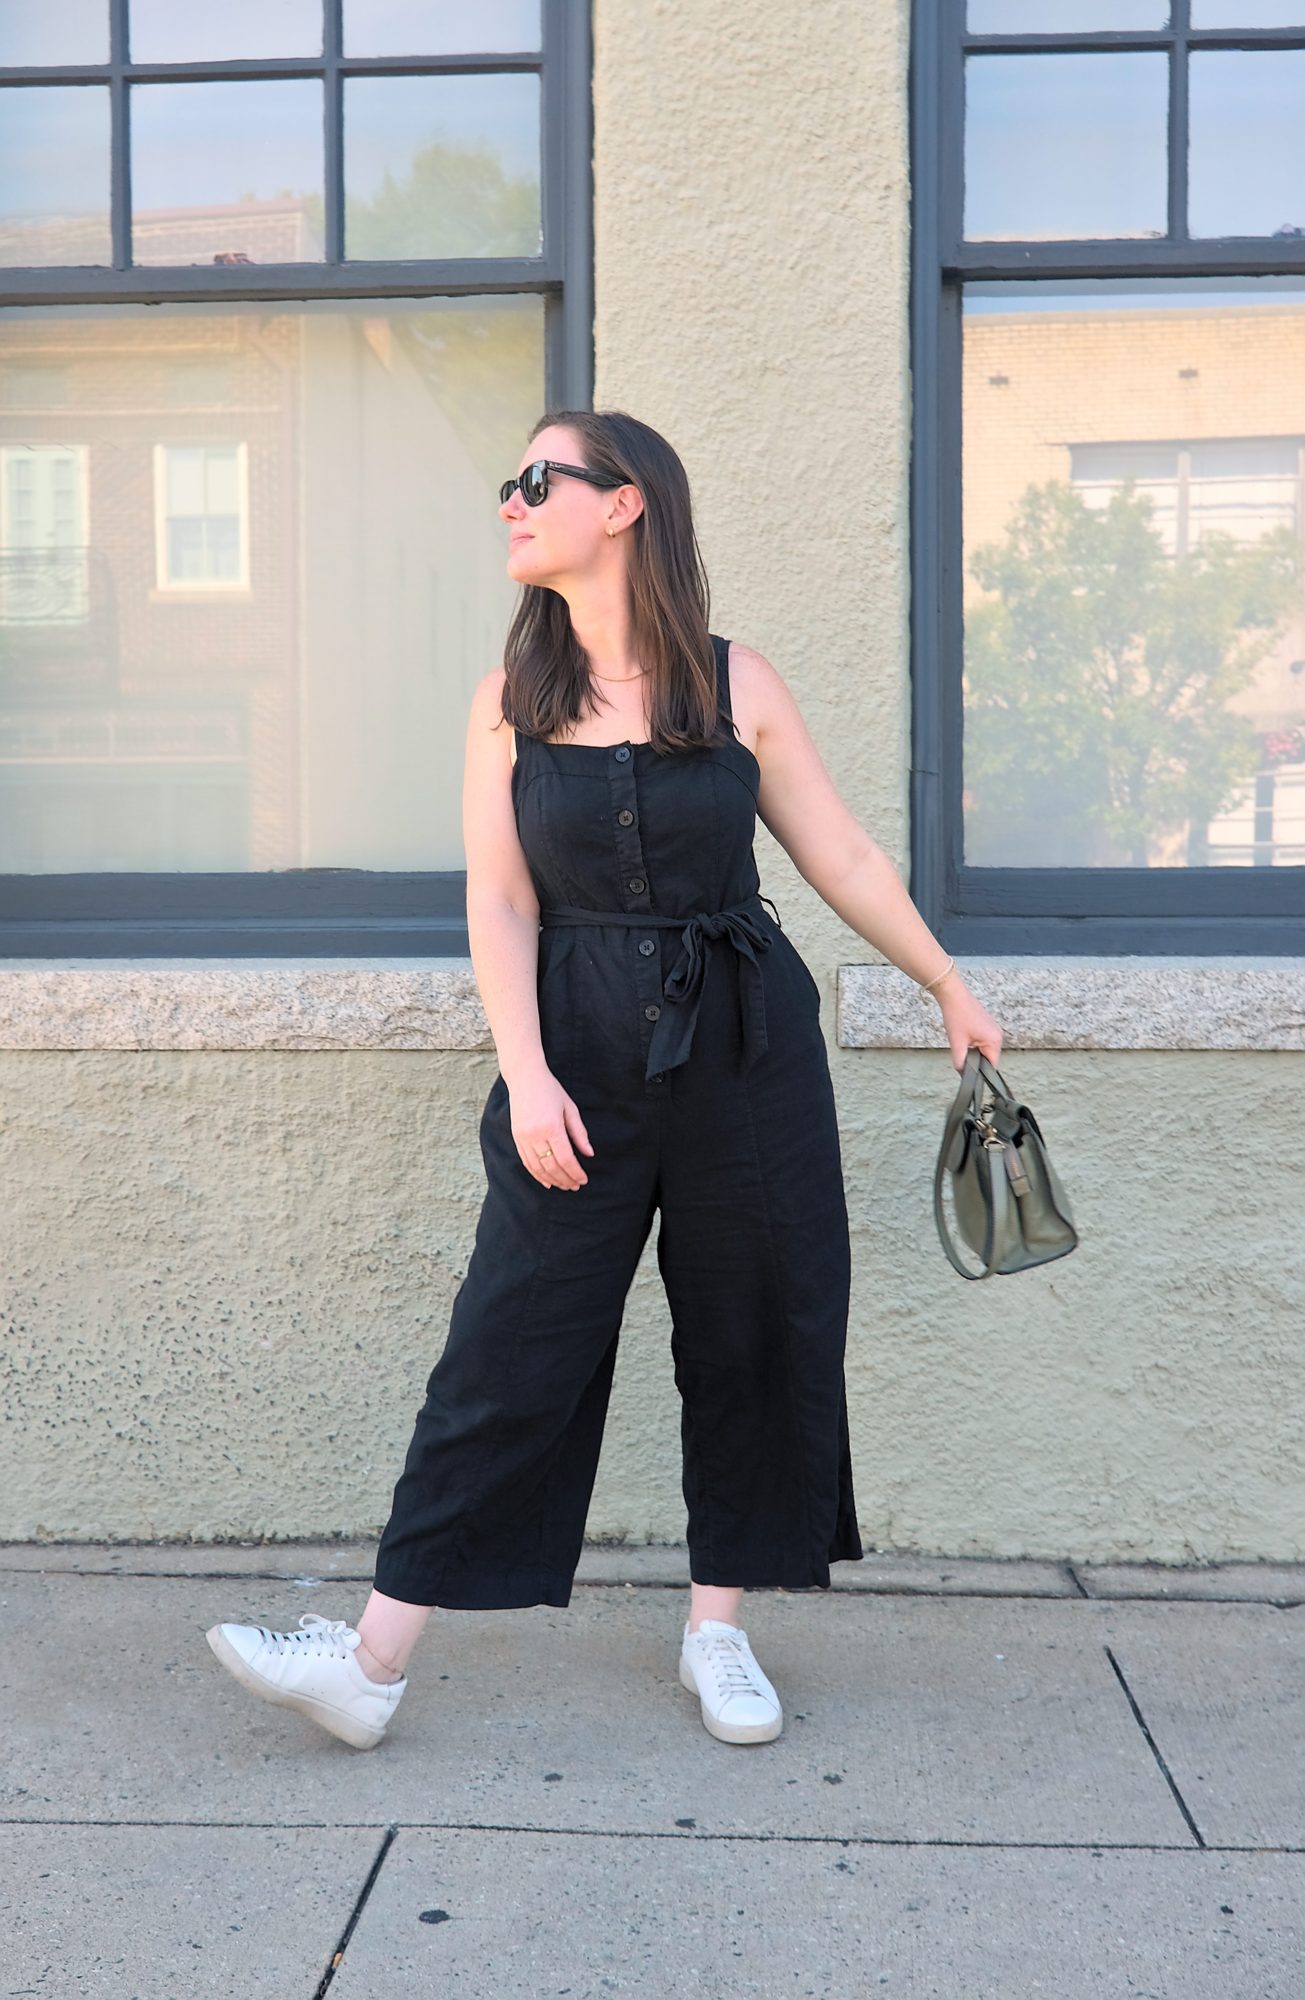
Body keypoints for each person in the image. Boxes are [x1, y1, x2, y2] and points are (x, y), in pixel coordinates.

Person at [205, 410, 1004, 1753]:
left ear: (624, 504)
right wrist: (524, 1074)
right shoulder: (506, 701)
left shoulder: (737, 682)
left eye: (536, 480)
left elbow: (842, 854)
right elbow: (502, 901)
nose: (510, 502)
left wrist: (942, 979)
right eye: (507, 482)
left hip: (744, 1044)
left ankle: (717, 1633)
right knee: (508, 1344)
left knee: (752, 1332)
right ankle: (370, 1663)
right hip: (571, 1051)